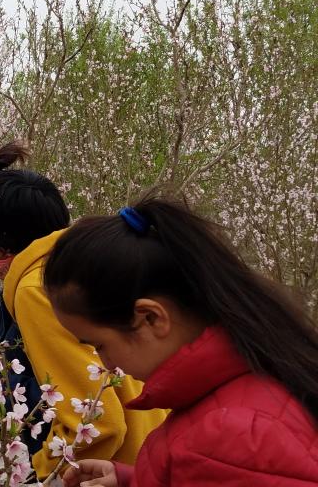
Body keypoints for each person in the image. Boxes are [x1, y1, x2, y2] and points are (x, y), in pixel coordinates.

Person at [45, 195, 318, 487]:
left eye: (100, 345)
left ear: (151, 318)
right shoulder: (253, 376)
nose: (107, 364)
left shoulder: (224, 439)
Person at [0, 167, 165, 479]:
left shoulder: (37, 288)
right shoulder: (83, 263)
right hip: (147, 456)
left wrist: (40, 473)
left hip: (107, 469)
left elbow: (96, 421)